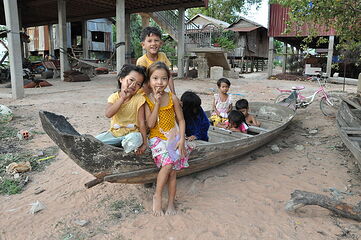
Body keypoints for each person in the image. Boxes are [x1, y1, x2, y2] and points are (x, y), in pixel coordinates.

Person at [144, 61, 193, 216]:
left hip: (173, 137)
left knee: (172, 172)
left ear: (168, 80)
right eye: (155, 78)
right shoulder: (147, 100)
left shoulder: (172, 98)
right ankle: (157, 195)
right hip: (157, 138)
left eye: (164, 79)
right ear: (149, 81)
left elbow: (181, 120)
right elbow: (150, 125)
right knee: (168, 165)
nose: (160, 82)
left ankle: (171, 202)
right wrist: (157, 103)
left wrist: (182, 140)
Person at [95, 64, 147, 155]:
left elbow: (142, 123)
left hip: (132, 134)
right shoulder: (114, 97)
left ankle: (122, 149)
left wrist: (145, 144)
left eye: (138, 84)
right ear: (121, 79)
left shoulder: (139, 99)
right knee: (94, 142)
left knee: (135, 139)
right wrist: (122, 99)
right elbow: (108, 114)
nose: (133, 85)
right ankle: (121, 147)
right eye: (131, 80)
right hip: (114, 134)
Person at [136, 26, 175, 94]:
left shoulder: (162, 56)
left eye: (156, 40)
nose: (153, 43)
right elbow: (143, 83)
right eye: (149, 41)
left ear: (161, 43)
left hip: (159, 92)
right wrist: (152, 98)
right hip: (145, 94)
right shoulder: (141, 61)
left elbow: (169, 76)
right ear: (143, 45)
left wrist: (173, 94)